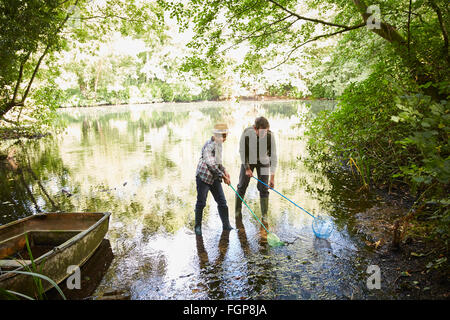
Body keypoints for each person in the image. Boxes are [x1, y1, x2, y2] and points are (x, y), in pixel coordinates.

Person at [194, 123, 233, 236]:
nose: (224, 139)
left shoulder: (219, 145)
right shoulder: (209, 146)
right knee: (201, 203)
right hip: (203, 177)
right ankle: (197, 227)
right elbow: (211, 165)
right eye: (221, 136)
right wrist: (223, 177)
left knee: (222, 202)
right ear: (215, 135)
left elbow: (218, 163)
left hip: (214, 176)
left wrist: (225, 171)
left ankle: (226, 226)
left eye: (225, 136)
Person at [236, 116, 277, 218]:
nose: (264, 134)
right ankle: (237, 213)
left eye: (266, 131)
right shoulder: (247, 133)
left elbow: (273, 156)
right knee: (242, 186)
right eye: (262, 132)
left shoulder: (270, 136)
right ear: (255, 128)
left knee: (264, 189)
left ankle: (264, 216)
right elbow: (242, 152)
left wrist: (272, 178)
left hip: (263, 161)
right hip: (249, 159)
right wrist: (247, 168)